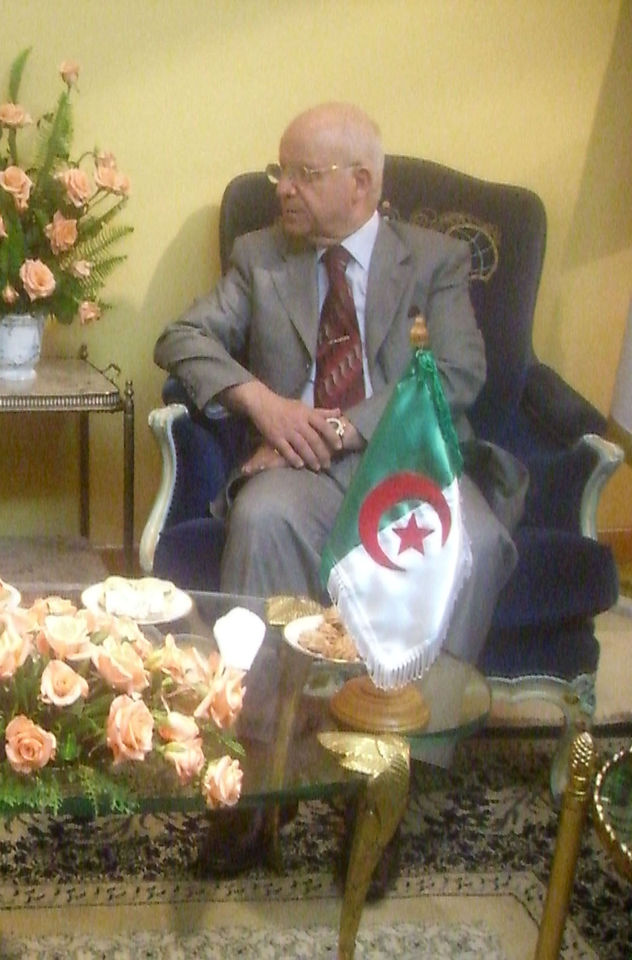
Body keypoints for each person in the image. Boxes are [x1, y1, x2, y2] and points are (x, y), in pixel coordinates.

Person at [155, 103, 525, 881]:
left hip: (407, 467)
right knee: (260, 517)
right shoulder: (261, 255)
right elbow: (181, 338)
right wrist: (262, 402)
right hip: (298, 474)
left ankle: (389, 788)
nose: (282, 188)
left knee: (480, 543)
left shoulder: (436, 260)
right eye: (277, 172)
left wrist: (343, 428)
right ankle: (256, 784)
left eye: (301, 174)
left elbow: (459, 374)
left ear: (360, 184)